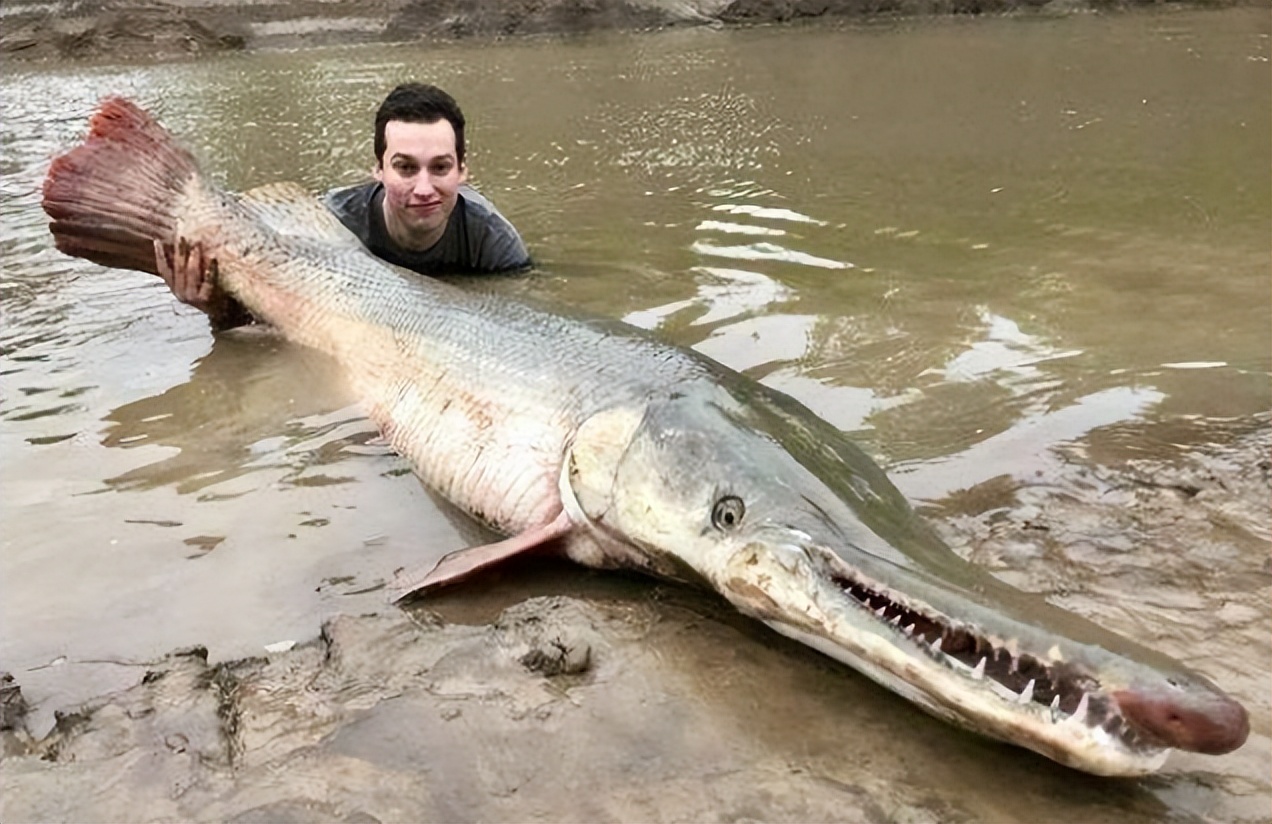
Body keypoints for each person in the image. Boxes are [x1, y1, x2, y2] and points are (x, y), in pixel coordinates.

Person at [154, 83, 531, 330]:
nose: (423, 187)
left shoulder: (494, 243)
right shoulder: (331, 223)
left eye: (440, 168)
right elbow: (271, 321)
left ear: (463, 170)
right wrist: (214, 307)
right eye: (404, 168)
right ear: (378, 170)